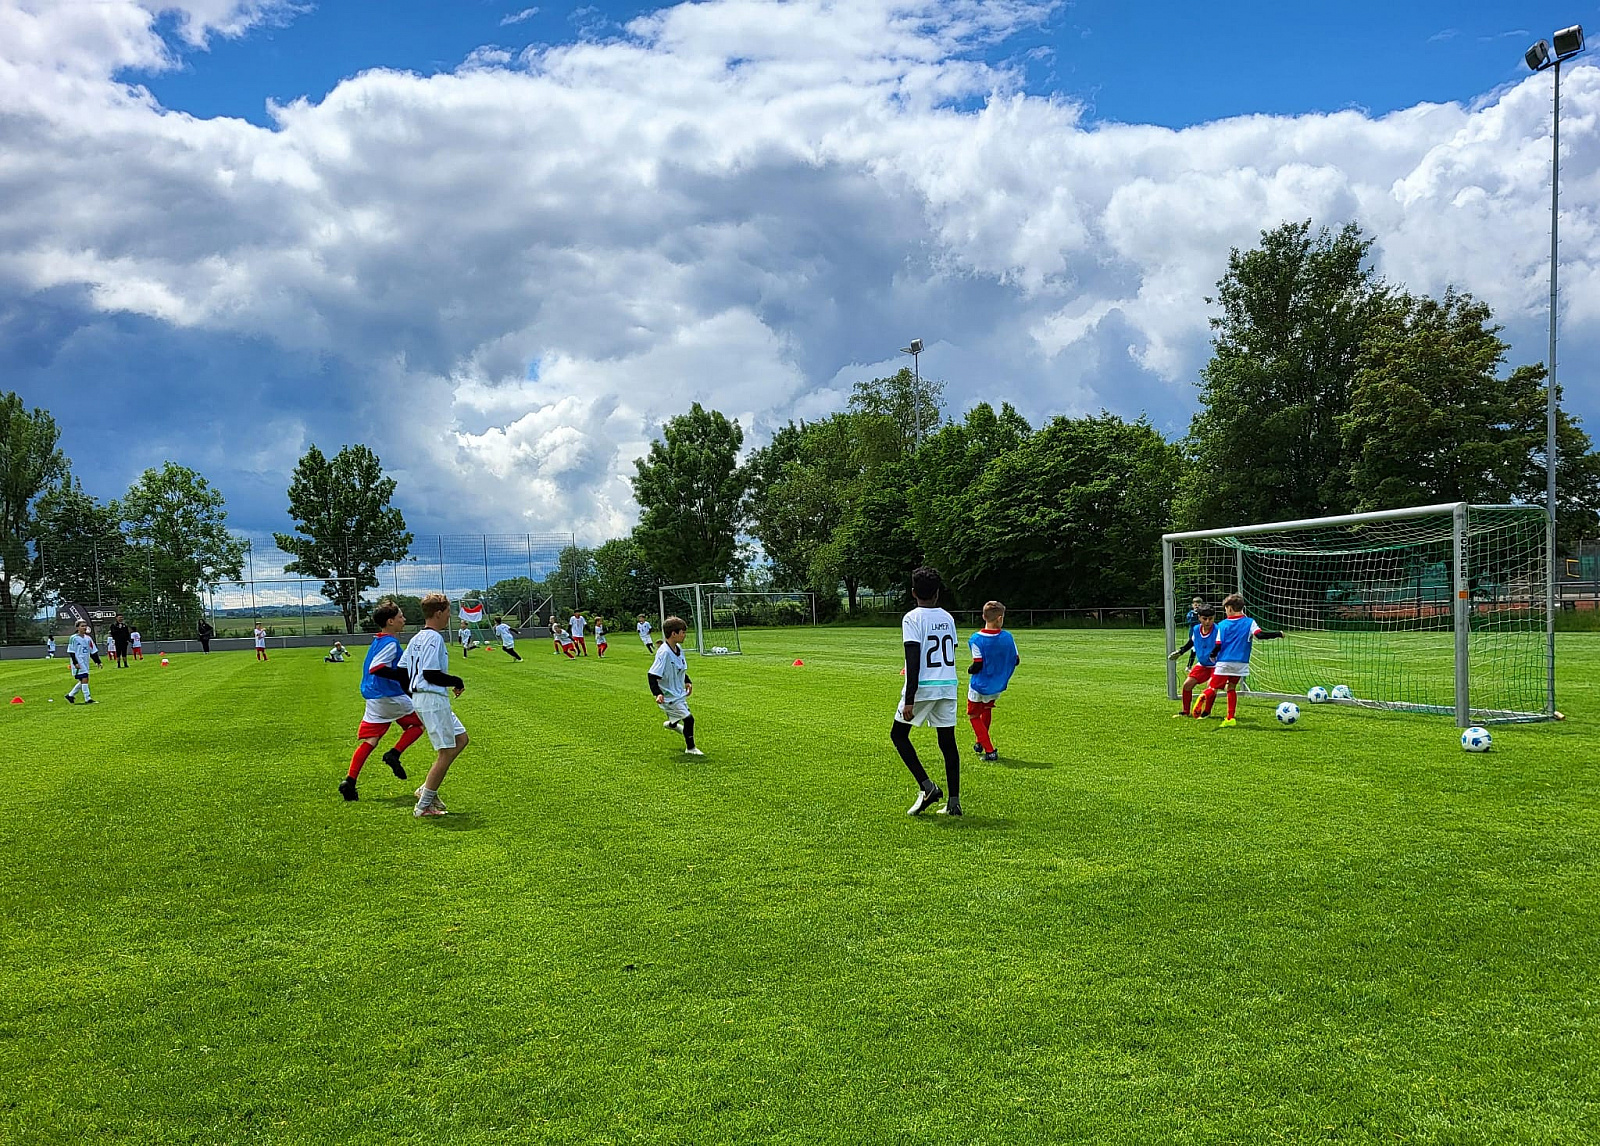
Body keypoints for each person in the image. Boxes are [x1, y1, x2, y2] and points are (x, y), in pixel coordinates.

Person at [892, 567, 963, 816]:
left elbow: (913, 660)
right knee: (947, 742)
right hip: (948, 684)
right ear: (937, 593)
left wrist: (909, 698)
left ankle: (927, 787)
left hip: (924, 687)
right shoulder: (948, 618)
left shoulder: (912, 618)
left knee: (898, 735)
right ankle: (954, 802)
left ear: (913, 592)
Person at [339, 601, 423, 801]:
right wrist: (403, 677)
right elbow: (377, 667)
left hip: (373, 697)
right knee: (420, 724)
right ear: (390, 621)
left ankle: (350, 781)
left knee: (371, 740)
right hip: (389, 696)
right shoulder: (391, 643)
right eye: (401, 616)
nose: (404, 619)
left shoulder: (378, 640)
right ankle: (394, 754)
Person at [401, 592, 468, 817]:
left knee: (461, 739)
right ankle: (423, 805)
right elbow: (431, 673)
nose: (450, 616)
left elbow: (401, 670)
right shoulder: (434, 638)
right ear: (438, 613)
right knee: (446, 752)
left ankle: (426, 789)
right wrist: (457, 681)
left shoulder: (416, 638)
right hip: (431, 699)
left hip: (425, 698)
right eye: (448, 612)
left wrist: (413, 692)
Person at [1194, 593, 1285, 725]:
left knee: (1212, 687)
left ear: (1230, 608)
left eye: (1226, 609)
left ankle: (1204, 696)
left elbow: (1218, 645)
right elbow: (1260, 635)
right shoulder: (1250, 622)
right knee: (1231, 688)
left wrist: (1212, 656)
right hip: (1241, 663)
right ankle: (1230, 718)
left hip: (1224, 661)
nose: (1226, 612)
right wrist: (1278, 633)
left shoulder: (1223, 624)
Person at [967, 600, 1021, 762]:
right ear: (1000, 618)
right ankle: (980, 742)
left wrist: (970, 669)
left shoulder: (976, 639)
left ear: (984, 616)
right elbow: (1016, 660)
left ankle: (990, 751)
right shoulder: (1008, 637)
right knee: (986, 709)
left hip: (980, 685)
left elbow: (977, 664)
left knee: (973, 715)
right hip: (997, 686)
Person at [649, 616, 702, 756]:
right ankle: (691, 748)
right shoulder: (664, 653)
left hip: (678, 693)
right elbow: (652, 675)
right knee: (689, 719)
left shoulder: (678, 648)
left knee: (681, 714)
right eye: (683, 632)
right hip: (668, 695)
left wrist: (687, 681)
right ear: (674, 634)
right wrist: (657, 693)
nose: (685, 635)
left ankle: (672, 724)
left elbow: (680, 668)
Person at [1168, 605, 1221, 718]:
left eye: (1210, 619)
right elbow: (1191, 642)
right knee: (1187, 685)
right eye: (1205, 619)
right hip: (1203, 664)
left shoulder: (1218, 630)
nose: (1208, 621)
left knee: (1211, 686)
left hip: (1217, 665)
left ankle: (1206, 712)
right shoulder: (1196, 629)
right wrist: (1181, 651)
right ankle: (1185, 711)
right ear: (1199, 617)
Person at [65, 620, 97, 705]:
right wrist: (75, 663)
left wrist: (97, 661)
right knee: (85, 678)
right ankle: (87, 698)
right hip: (78, 661)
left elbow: (93, 651)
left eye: (85, 626)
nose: (84, 627)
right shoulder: (73, 638)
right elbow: (71, 651)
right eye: (82, 626)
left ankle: (70, 695)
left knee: (83, 680)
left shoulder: (88, 638)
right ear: (77, 628)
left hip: (85, 661)